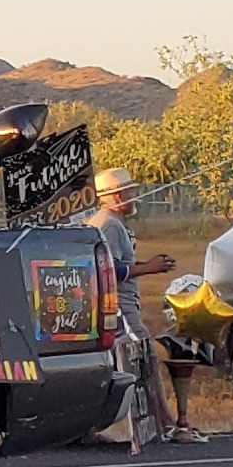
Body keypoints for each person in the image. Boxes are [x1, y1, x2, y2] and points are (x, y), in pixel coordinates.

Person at [80, 168, 188, 445]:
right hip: (121, 307)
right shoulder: (109, 224)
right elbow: (105, 267)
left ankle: (93, 427)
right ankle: (165, 423)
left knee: (128, 363)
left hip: (122, 305)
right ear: (116, 195)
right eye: (128, 192)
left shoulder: (110, 222)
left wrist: (148, 265)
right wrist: (149, 269)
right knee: (142, 358)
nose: (133, 197)